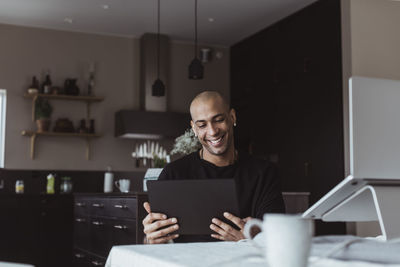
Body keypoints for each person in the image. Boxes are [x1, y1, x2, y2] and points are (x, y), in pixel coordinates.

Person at [142, 91, 285, 244]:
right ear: (194, 129)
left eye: (218, 120)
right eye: (202, 125)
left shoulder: (264, 173)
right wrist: (150, 239)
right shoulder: (174, 173)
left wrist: (250, 240)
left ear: (232, 117)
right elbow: (152, 242)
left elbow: (277, 237)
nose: (212, 131)